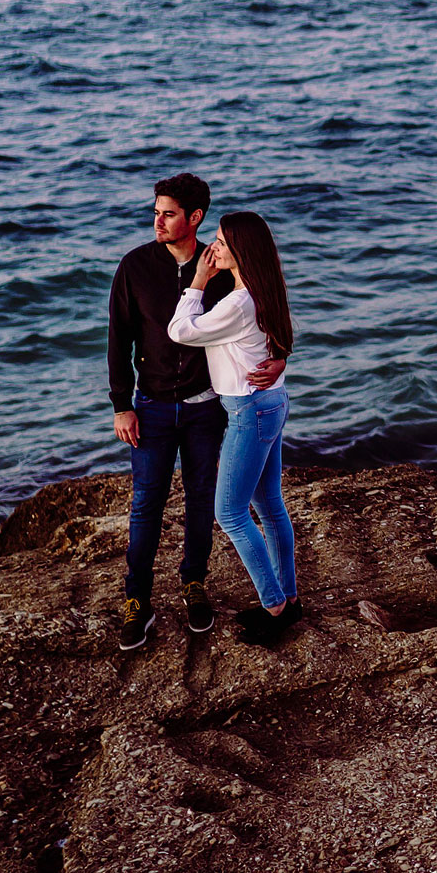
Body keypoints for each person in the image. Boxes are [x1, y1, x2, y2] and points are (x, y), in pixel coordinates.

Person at [108, 174, 284, 651]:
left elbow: (264, 304)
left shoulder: (223, 263)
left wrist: (281, 353)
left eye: (167, 213)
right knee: (147, 504)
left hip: (208, 408)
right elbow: (118, 337)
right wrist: (122, 405)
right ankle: (137, 600)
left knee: (204, 499)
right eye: (156, 212)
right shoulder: (135, 266)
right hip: (152, 408)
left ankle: (194, 584)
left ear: (195, 217)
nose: (157, 221)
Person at [167, 209, 302, 648]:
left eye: (222, 242)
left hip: (249, 410)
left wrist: (198, 281)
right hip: (272, 402)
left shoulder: (237, 303)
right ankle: (289, 596)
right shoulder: (265, 288)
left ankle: (275, 605)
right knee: (269, 504)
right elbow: (280, 338)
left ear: (242, 250)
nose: (214, 247)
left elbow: (180, 330)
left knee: (229, 513)